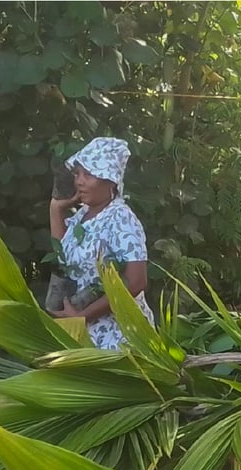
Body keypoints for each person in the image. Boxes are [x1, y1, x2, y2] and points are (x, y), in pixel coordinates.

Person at [47, 137, 154, 350]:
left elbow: (136, 282)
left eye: (89, 175)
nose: (79, 181)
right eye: (77, 174)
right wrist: (56, 209)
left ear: (110, 180)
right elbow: (63, 257)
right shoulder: (84, 215)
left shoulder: (121, 218)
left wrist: (83, 317)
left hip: (118, 337)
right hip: (84, 331)